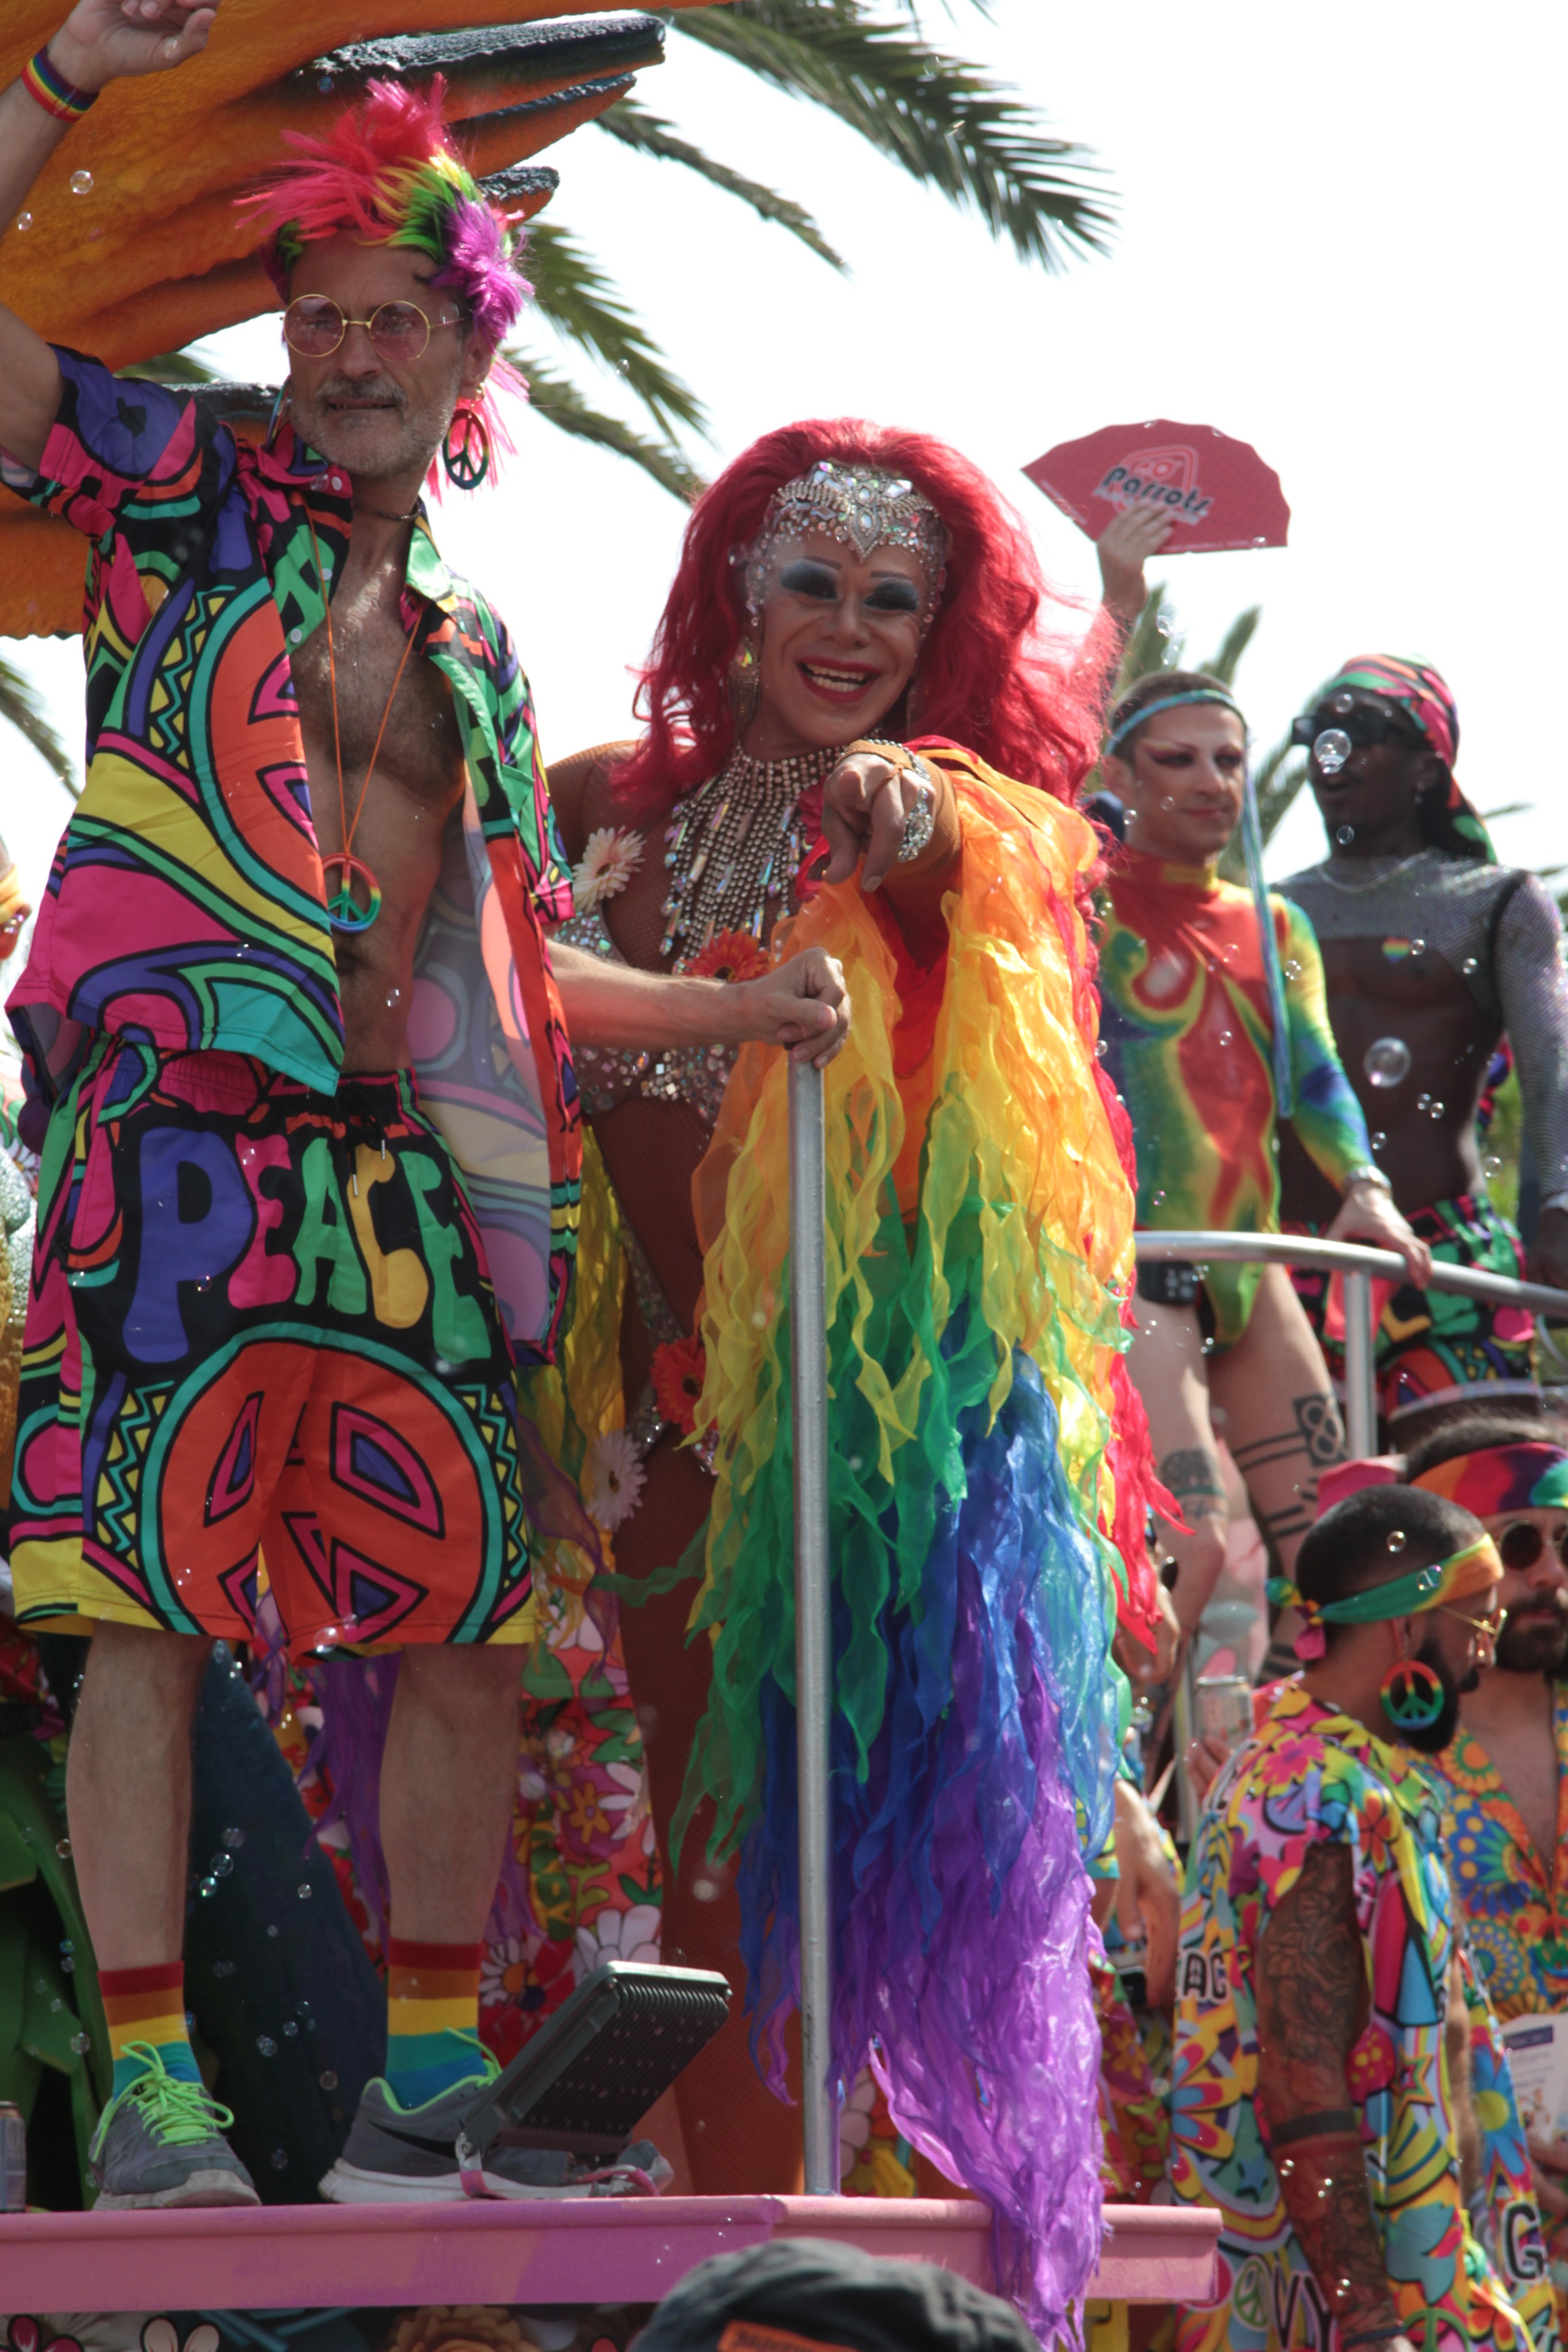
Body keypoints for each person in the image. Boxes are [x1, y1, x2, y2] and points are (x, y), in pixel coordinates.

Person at [0, 4, 850, 2211]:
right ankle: (165, 2091)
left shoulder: (478, 646)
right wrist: (71, 83)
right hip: (180, 1130)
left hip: (397, 1176)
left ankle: (432, 2076)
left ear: (471, 362)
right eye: (322, 314)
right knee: (143, 1614)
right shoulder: (176, 493)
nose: (351, 350)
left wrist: (743, 1011)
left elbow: (515, 958)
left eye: (395, 318)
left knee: (466, 1611)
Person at [546, 421, 1164, 2332]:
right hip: (646, 1435)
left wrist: (905, 812)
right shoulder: (587, 800)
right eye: (808, 580)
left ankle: (861, 2275)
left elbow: (960, 846)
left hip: (859, 1447)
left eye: (892, 598)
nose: (845, 626)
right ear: (733, 591)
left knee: (884, 1866)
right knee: (691, 1849)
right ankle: (737, 2267)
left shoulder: (925, 806)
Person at [1169, 1482, 1558, 2352]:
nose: (1481, 1661)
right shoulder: (1315, 1796)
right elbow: (1301, 2076)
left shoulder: (1345, 1769)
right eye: (1476, 1626)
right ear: (1406, 1629)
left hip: (1427, 2281)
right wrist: (1371, 2321)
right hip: (1346, 2312)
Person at [1094, 669, 1428, 1633]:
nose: (1210, 781)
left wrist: (1363, 1188)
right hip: (1137, 1265)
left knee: (1353, 1558)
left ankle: (1285, 1770)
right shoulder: (1081, 904)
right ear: (1119, 769)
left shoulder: (1276, 924)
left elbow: (1316, 1075)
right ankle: (1122, 1781)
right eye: (1176, 759)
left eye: (1230, 760)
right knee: (1188, 1552)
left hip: (1252, 1263)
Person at [1278, 658, 1568, 1438]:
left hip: (1445, 1260)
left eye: (1362, 733)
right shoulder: (1266, 911)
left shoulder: (1497, 900)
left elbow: (1553, 1074)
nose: (1330, 756)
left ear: (1426, 768)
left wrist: (1559, 1210)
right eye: (1317, 734)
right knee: (1306, 1545)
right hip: (1288, 1267)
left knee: (1476, 1518)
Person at [1398, 1415, 1568, 2312]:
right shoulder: (1374, 1768)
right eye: (1519, 1543)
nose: (1552, 1573)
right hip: (1473, 2240)